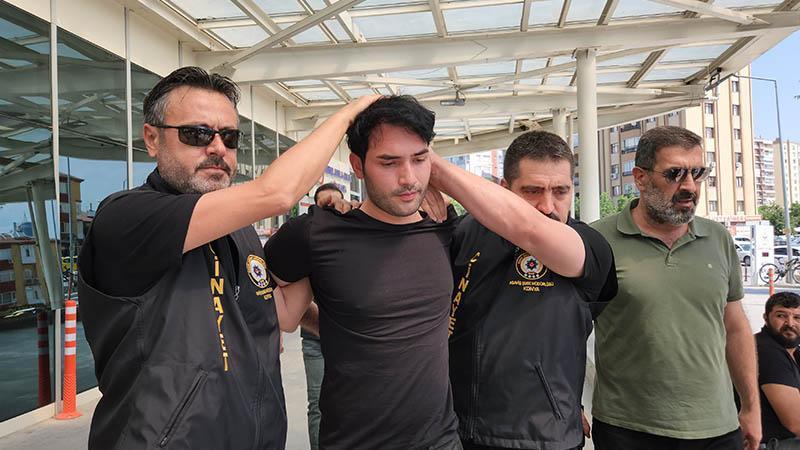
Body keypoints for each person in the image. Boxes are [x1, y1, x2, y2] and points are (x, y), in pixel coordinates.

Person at [77, 66, 379, 449]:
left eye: (229, 137)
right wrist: (351, 113)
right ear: (152, 139)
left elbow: (284, 313)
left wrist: (321, 230)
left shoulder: (239, 231)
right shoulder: (127, 216)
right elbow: (276, 193)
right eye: (196, 134)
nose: (218, 148)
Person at [265, 95, 587, 449]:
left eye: (419, 160)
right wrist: (339, 326)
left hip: (442, 439)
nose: (408, 178)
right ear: (357, 165)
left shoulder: (445, 230)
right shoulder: (318, 233)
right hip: (354, 441)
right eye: (388, 163)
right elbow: (280, 311)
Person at [443, 131, 618, 450]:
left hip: (545, 437)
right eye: (532, 191)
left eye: (561, 191)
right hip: (458, 430)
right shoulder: (464, 234)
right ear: (503, 189)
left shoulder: (588, 246)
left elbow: (531, 231)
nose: (547, 206)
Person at [591, 126, 761, 450]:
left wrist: (751, 407)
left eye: (698, 173)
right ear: (640, 178)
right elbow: (569, 328)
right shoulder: (598, 240)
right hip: (628, 429)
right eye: (674, 174)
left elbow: (735, 326)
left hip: (718, 427)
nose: (690, 187)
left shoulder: (718, 238)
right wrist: (570, 403)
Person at [302, 182, 344, 450]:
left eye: (336, 203)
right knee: (317, 404)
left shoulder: (356, 240)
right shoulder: (306, 243)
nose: (332, 209)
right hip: (314, 339)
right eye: (324, 205)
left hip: (351, 340)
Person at [756, 292, 800, 449]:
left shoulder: (792, 352)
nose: (790, 323)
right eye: (781, 316)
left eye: (797, 318)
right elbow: (796, 423)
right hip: (773, 443)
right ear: (766, 318)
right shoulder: (767, 352)